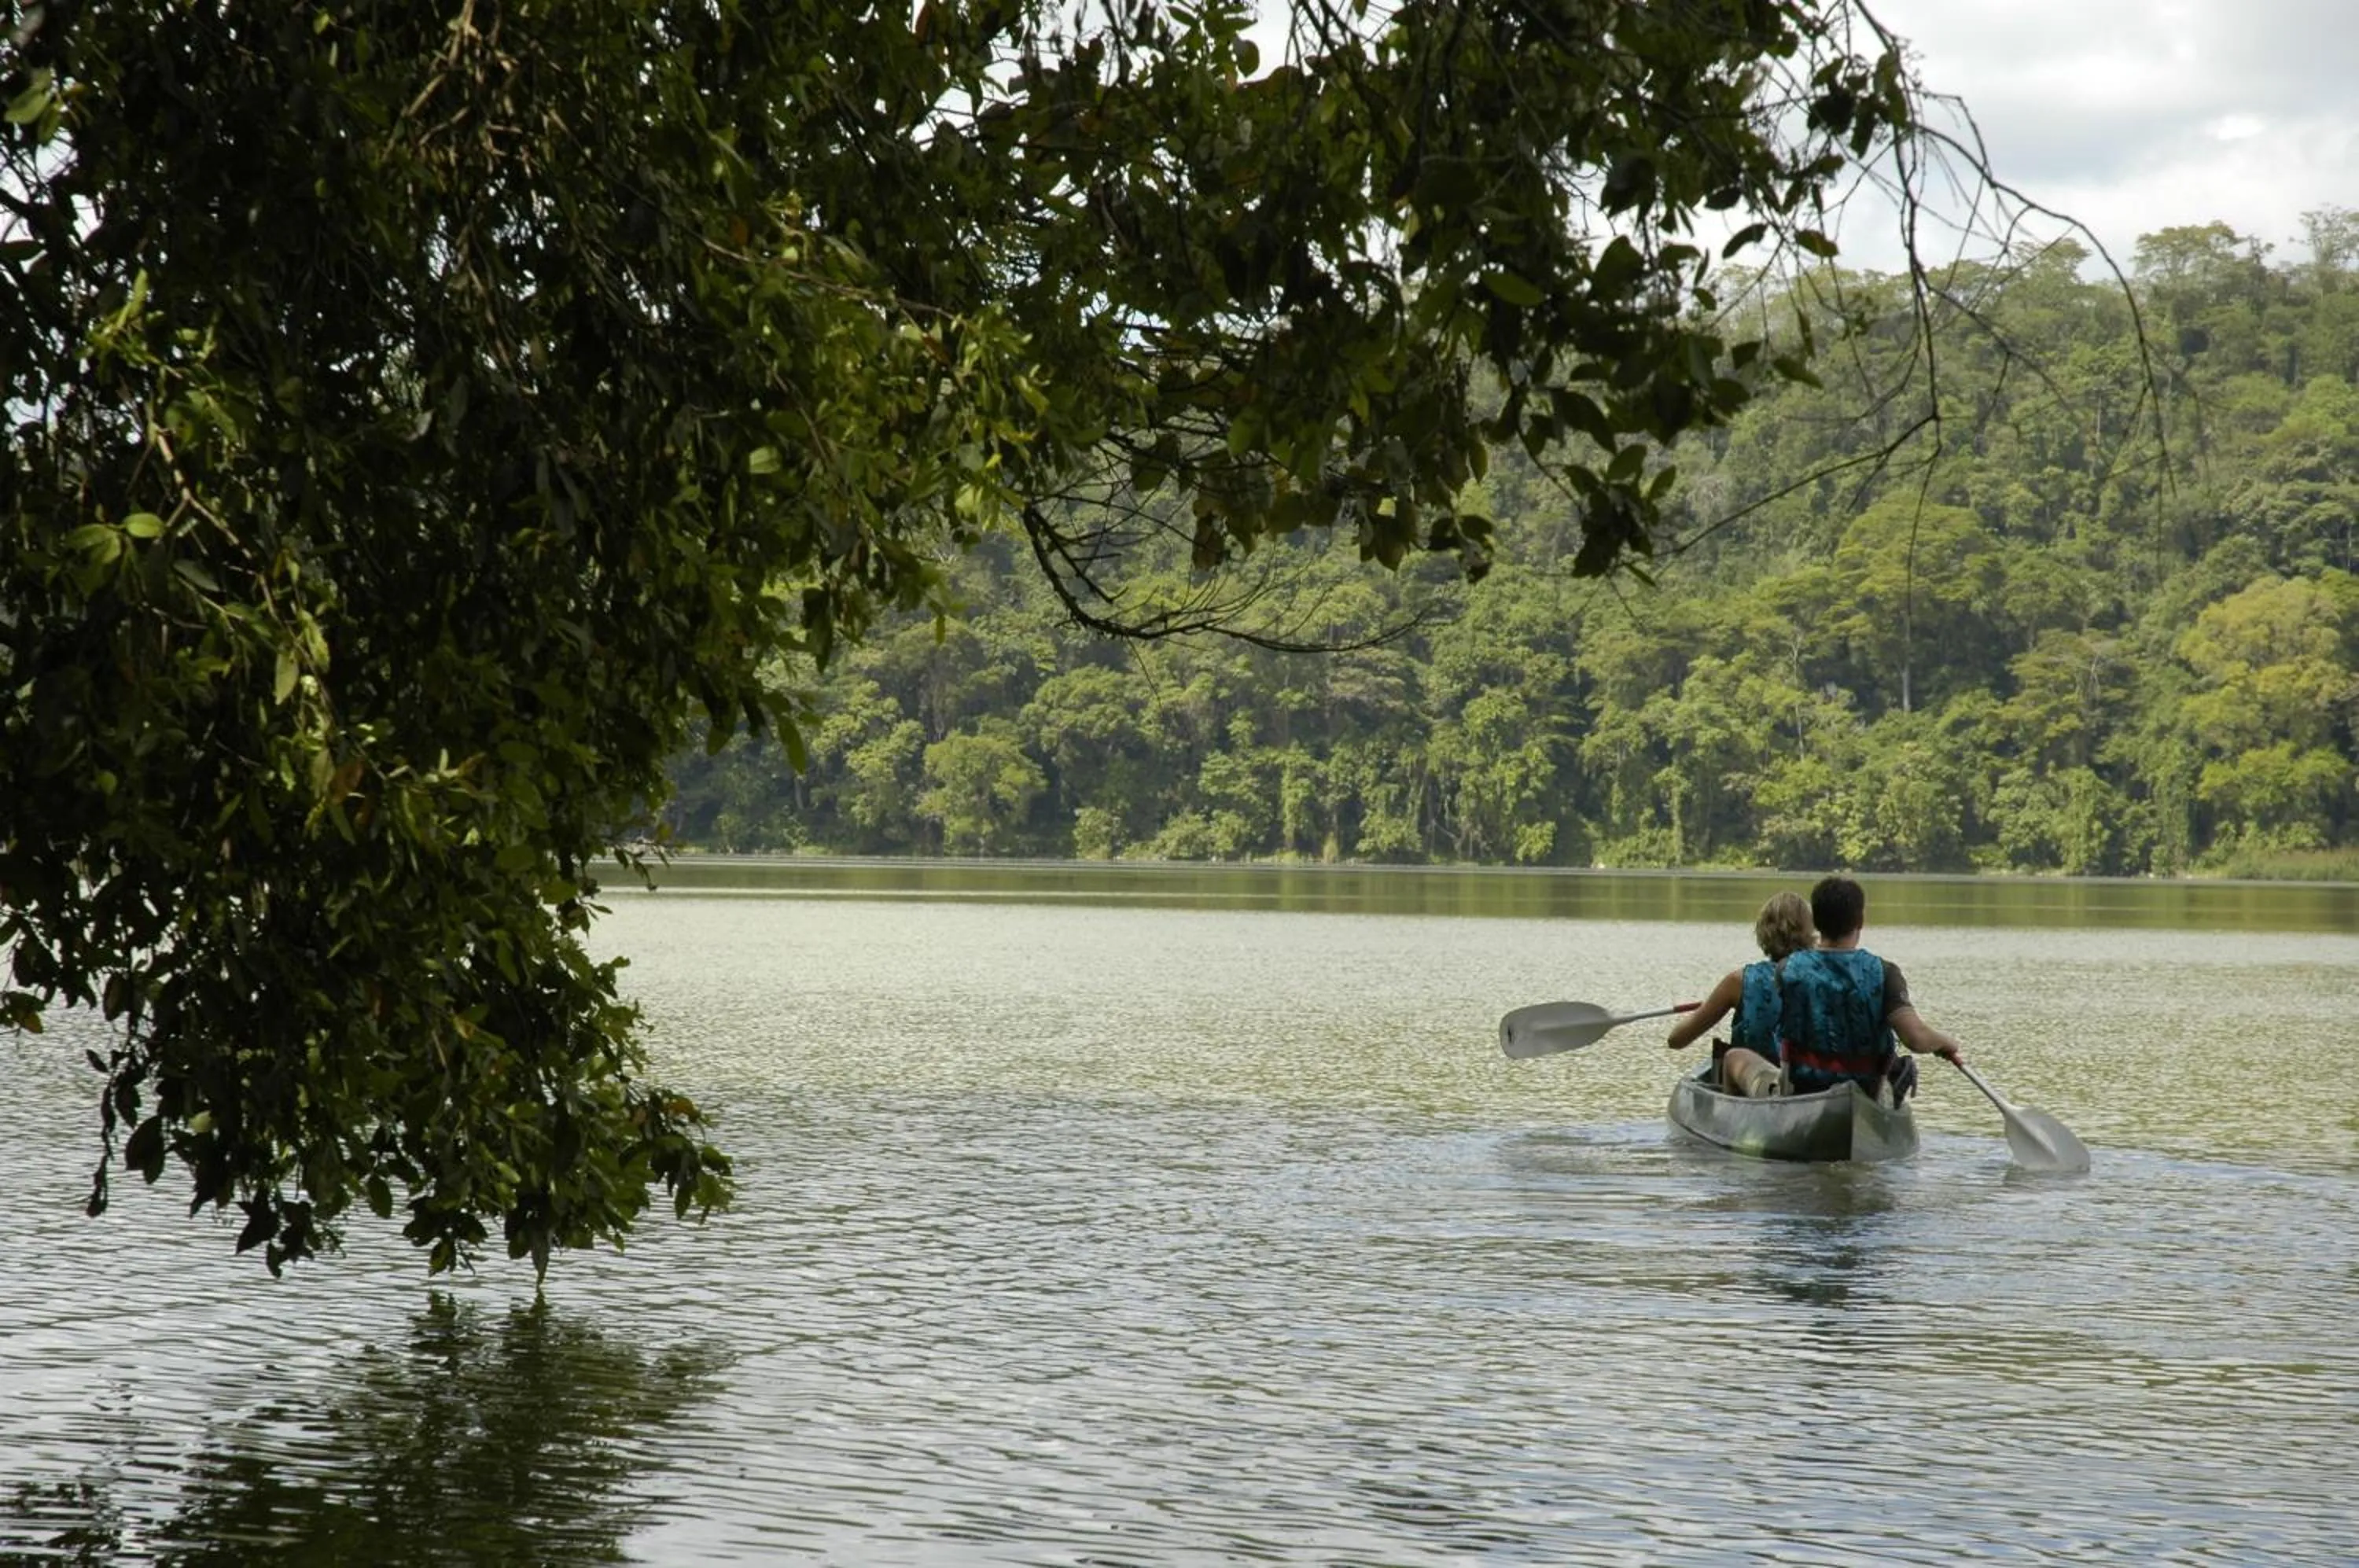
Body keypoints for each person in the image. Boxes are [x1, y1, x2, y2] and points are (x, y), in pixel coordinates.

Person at [1776, 874, 1965, 1104]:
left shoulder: (1787, 969)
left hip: (1803, 1091)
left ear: (1815, 921)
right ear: (1861, 920)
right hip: (1866, 1092)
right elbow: (1916, 1038)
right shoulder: (1885, 973)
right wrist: (1946, 1042)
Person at [1664, 892, 1813, 1098]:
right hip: (1806, 1084)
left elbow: (1676, 1040)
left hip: (1752, 1088)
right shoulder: (1823, 980)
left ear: (1763, 932)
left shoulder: (1739, 981)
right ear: (1809, 933)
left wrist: (1700, 1012)